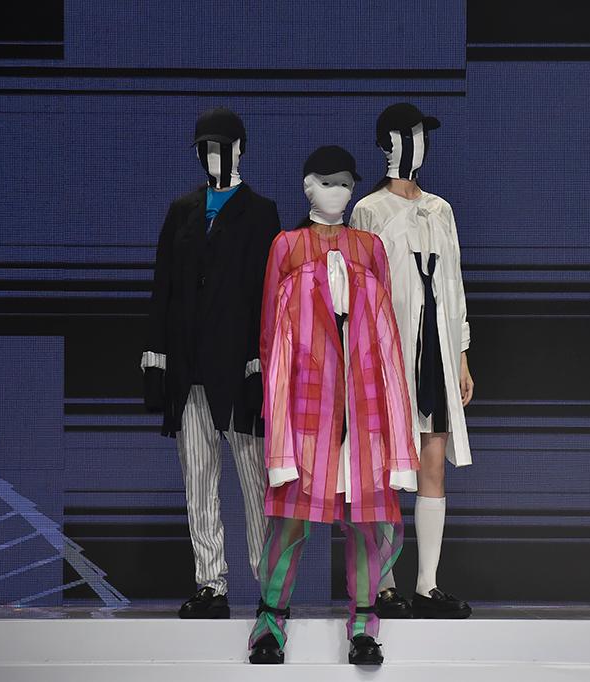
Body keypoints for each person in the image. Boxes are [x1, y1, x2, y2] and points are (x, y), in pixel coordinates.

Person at [247, 145, 419, 665]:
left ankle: (364, 627)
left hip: (362, 406)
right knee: (290, 517)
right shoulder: (287, 245)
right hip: (306, 404)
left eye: (346, 183)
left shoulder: (369, 247)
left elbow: (385, 336)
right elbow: (270, 336)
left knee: (364, 520)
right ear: (307, 187)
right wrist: (276, 416)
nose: (338, 192)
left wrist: (394, 425)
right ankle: (270, 623)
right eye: (327, 181)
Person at [141, 106, 280, 618]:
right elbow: (164, 287)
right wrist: (156, 360)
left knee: (255, 482)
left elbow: (268, 295)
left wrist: (259, 362)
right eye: (205, 147)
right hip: (189, 366)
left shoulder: (261, 213)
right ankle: (210, 584)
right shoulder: (182, 210)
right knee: (198, 480)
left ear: (240, 149)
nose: (212, 154)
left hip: (239, 367)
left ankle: (270, 589)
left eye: (220, 145)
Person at [349, 103, 475, 619]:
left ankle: (428, 584)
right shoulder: (368, 210)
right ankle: (384, 584)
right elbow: (360, 290)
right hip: (389, 351)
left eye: (423, 135)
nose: (420, 144)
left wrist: (461, 355)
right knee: (384, 467)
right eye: (411, 134)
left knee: (432, 459)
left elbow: (455, 284)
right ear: (389, 144)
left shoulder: (441, 209)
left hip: (436, 351)